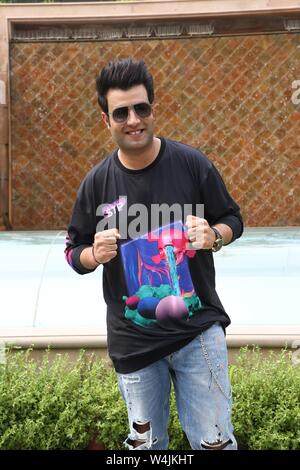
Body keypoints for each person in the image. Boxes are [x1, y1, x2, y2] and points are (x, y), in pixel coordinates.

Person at [65, 58, 243, 450]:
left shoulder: (190, 164)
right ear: (105, 120)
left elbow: (233, 217)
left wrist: (213, 234)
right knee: (147, 448)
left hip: (197, 333)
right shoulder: (96, 183)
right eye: (121, 112)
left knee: (215, 444)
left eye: (141, 108)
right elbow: (72, 251)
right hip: (135, 343)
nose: (133, 119)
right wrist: (93, 254)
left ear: (153, 110)